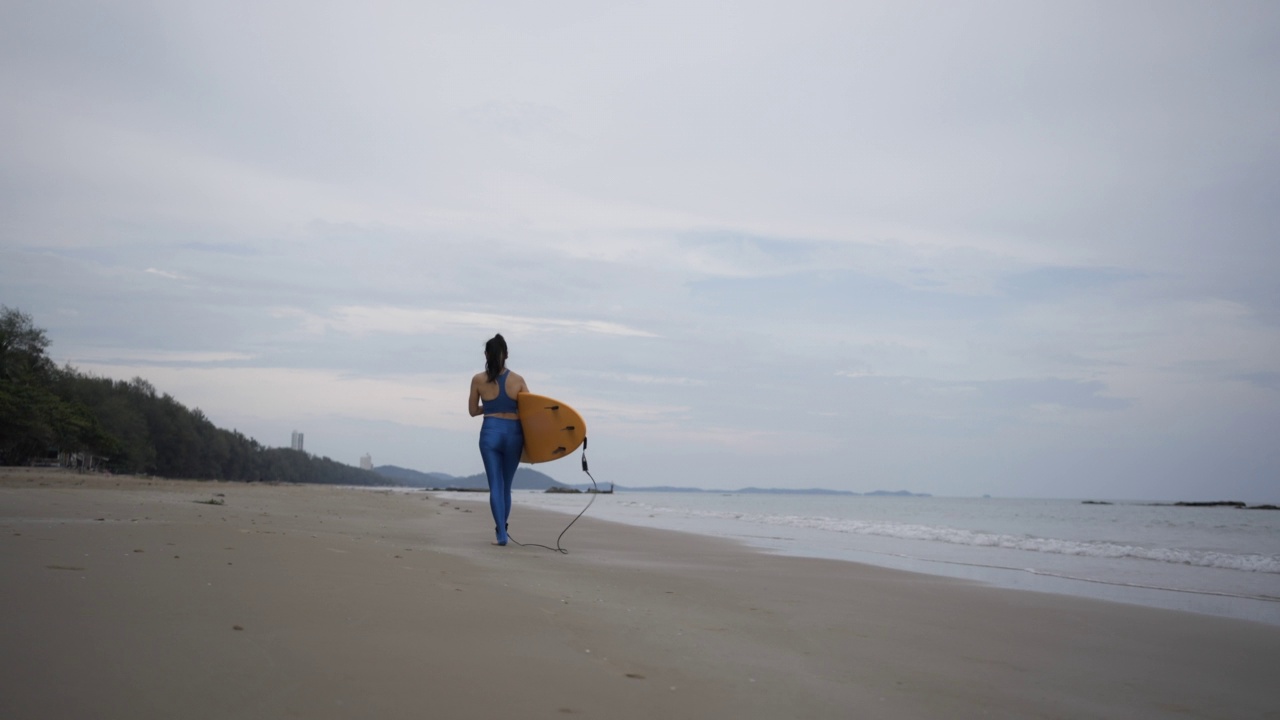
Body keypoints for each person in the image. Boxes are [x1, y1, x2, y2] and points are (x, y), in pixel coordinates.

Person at [468, 333, 529, 546]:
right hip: (513, 434)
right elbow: (530, 412)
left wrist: (493, 406)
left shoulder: (478, 380)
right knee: (506, 486)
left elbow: (473, 411)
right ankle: (502, 530)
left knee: (495, 484)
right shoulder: (518, 380)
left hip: (490, 432)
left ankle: (501, 535)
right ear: (507, 355)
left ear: (486, 354)